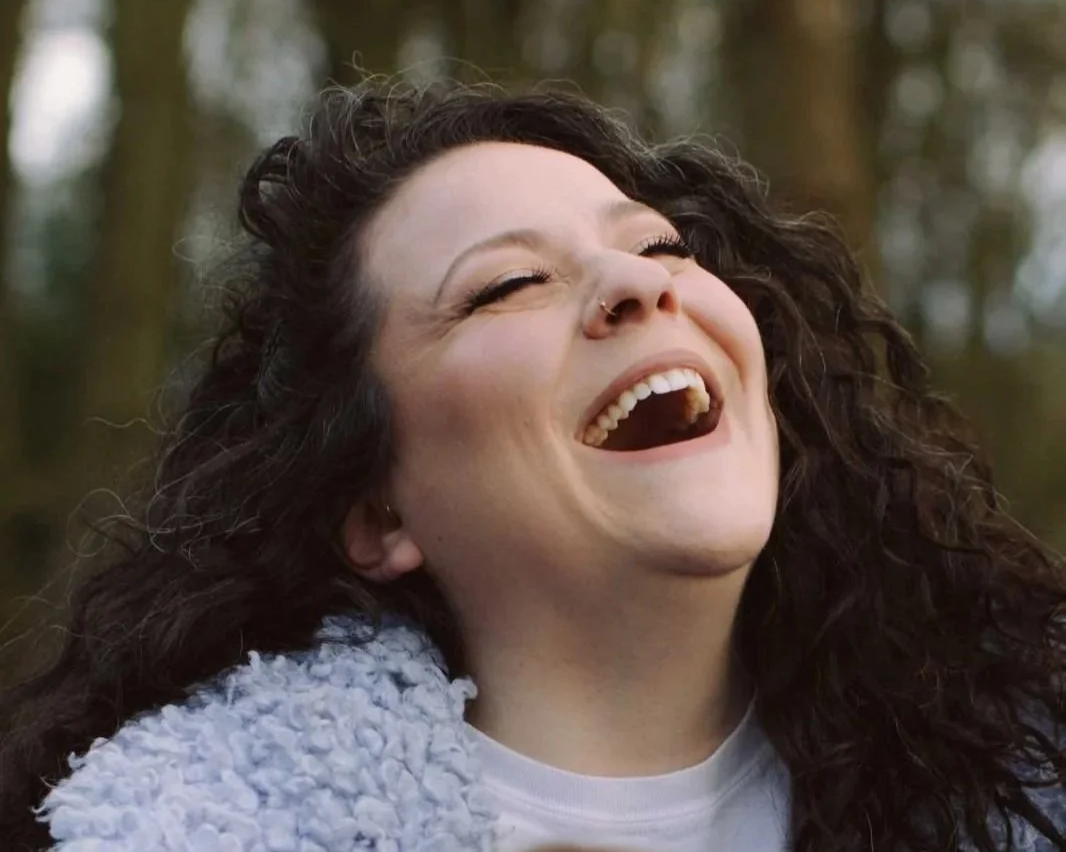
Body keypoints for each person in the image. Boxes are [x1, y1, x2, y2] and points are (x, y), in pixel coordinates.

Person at [0, 81, 1064, 852]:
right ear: (375, 507)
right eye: (505, 285)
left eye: (658, 246)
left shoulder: (1021, 770)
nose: (634, 284)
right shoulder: (182, 827)